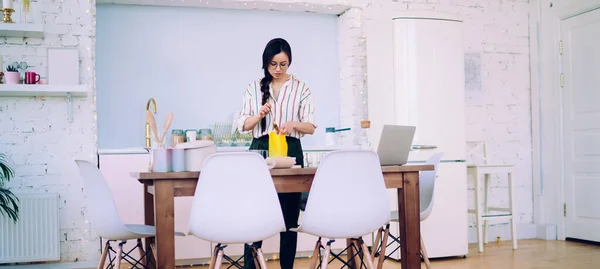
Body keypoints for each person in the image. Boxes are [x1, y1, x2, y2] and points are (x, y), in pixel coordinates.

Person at [237, 37, 317, 269]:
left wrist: (293, 124)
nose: (278, 69)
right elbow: (243, 124)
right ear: (265, 63)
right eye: (273, 64)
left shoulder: (302, 88)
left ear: (289, 63)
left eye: (283, 64)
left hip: (291, 149)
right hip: (260, 151)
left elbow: (311, 126)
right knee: (256, 215)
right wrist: (259, 115)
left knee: (290, 219)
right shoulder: (253, 87)